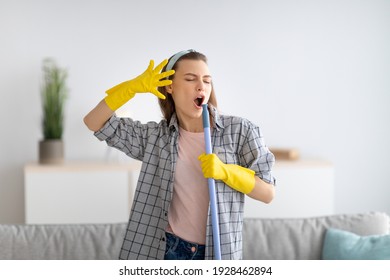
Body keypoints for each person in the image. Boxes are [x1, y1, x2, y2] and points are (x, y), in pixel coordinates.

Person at [83, 49, 276, 260]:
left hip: (218, 255)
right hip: (168, 251)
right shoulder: (155, 137)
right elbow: (94, 122)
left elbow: (268, 193)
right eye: (191, 79)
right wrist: (130, 89)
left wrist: (227, 173)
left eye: (207, 80)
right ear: (170, 86)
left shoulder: (240, 131)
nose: (201, 86)